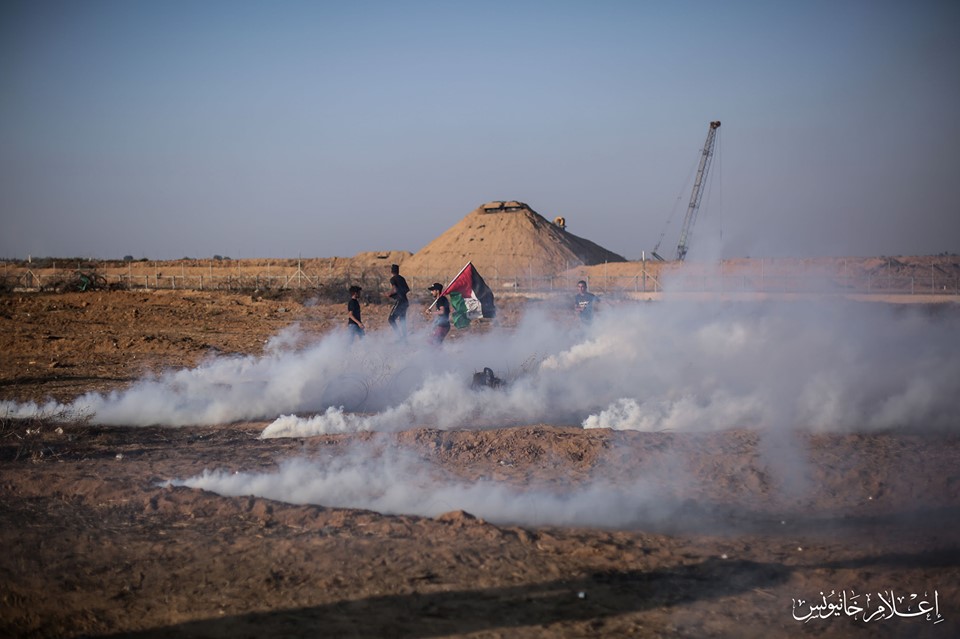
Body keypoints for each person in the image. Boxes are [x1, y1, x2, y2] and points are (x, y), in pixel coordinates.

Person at [387, 264, 410, 340]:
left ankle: (399, 336)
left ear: (391, 271)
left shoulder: (393, 279)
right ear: (398, 271)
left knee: (391, 319)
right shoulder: (402, 278)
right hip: (405, 301)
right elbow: (407, 289)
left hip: (400, 301)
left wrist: (389, 294)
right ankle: (405, 338)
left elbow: (394, 289)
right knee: (402, 320)